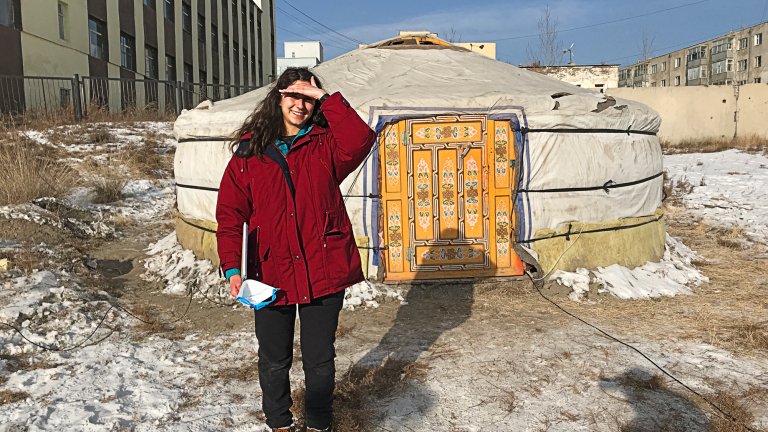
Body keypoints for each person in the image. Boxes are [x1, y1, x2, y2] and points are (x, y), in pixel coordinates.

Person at [215, 68, 376, 432]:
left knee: (320, 360)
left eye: (307, 97)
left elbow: (361, 140)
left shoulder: (326, 144)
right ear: (278, 97)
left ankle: (319, 424)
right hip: (271, 270)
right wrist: (231, 267)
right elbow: (229, 214)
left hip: (323, 267)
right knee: (274, 359)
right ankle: (280, 424)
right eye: (293, 95)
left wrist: (326, 97)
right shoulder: (250, 151)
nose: (300, 104)